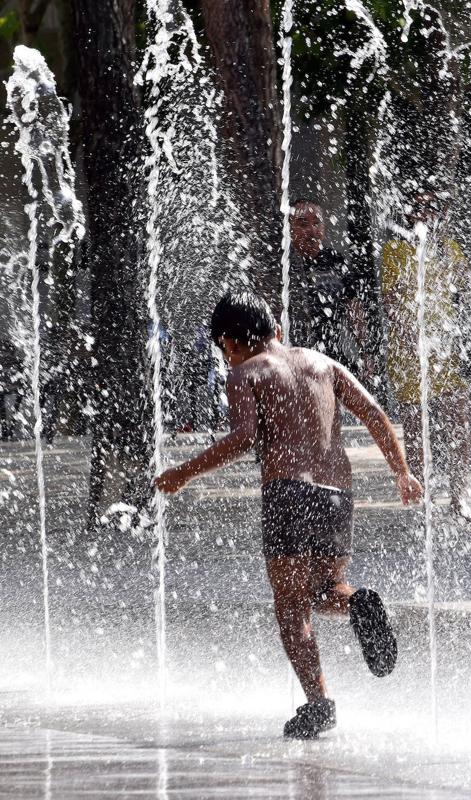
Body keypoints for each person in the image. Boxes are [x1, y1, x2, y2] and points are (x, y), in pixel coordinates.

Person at [155, 290, 422, 739]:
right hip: (339, 493)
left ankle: (318, 704)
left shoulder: (246, 372)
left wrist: (183, 472)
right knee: (323, 590)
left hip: (288, 492)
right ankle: (356, 602)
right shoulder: (321, 363)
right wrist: (403, 472)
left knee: (291, 605)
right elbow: (374, 413)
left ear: (228, 342)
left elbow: (243, 437)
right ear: (274, 330)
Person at [381, 188, 471, 519]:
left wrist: (450, 257)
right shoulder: (394, 251)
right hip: (408, 353)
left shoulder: (448, 249)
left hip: (444, 351)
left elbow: (465, 286)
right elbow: (390, 301)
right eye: (419, 210)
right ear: (408, 216)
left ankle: (459, 495)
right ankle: (421, 497)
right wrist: (409, 334)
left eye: (431, 210)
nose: (426, 216)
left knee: (456, 424)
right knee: (415, 429)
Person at [288, 199, 366, 374]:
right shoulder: (284, 265)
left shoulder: (335, 261)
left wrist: (365, 351)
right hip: (292, 358)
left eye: (317, 223)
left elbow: (353, 307)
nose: (312, 230)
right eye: (303, 224)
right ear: (290, 229)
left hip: (330, 356)